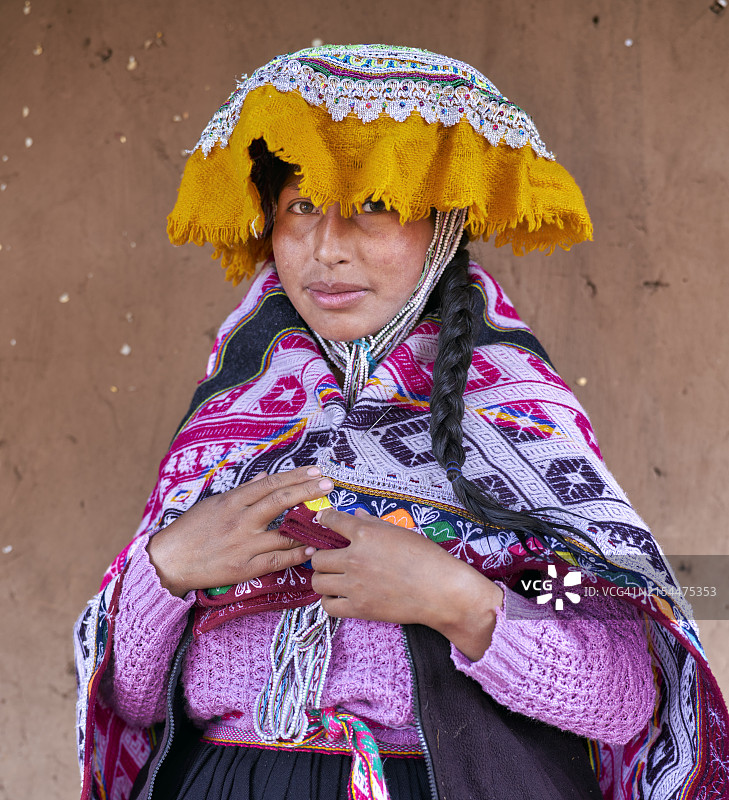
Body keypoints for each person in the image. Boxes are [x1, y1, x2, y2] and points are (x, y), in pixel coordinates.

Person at [74, 45, 729, 800]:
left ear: (441, 225)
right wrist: (166, 570)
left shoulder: (519, 426)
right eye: (301, 208)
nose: (327, 248)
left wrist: (458, 602)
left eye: (374, 206)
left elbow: (622, 696)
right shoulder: (227, 426)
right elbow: (132, 704)